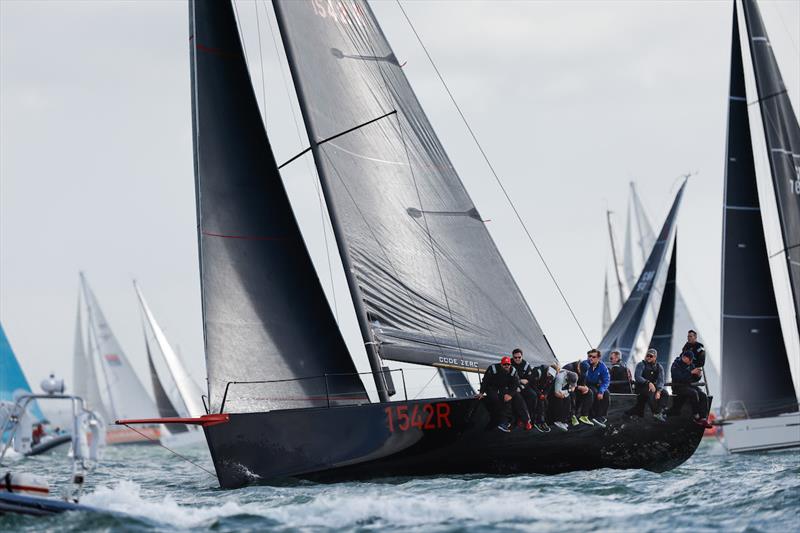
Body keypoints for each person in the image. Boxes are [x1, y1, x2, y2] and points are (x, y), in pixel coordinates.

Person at [478, 356, 531, 432]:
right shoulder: (493, 368)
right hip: (492, 387)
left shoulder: (513, 370)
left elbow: (515, 384)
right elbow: (485, 381)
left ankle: (526, 420)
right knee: (498, 399)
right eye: (504, 364)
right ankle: (503, 422)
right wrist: (481, 392)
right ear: (501, 364)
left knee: (518, 398)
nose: (506, 366)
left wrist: (510, 395)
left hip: (504, 387)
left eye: (508, 364)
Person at [670, 351, 712, 428]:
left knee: (703, 395)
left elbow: (694, 379)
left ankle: (703, 418)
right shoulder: (676, 365)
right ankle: (696, 415)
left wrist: (698, 375)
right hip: (678, 387)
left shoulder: (690, 364)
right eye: (690, 359)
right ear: (684, 358)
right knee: (693, 393)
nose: (691, 361)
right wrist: (691, 372)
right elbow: (678, 377)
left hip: (688, 385)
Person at [626, 348, 669, 421]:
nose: (648, 357)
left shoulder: (659, 367)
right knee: (650, 393)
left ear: (655, 357)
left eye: (651, 356)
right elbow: (637, 377)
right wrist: (648, 382)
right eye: (647, 355)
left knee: (665, 393)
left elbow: (661, 381)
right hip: (641, 386)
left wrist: (659, 391)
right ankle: (655, 412)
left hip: (652, 387)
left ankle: (659, 412)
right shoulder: (641, 364)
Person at [576, 349, 611, 427]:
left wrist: (601, 391)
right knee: (594, 392)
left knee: (606, 393)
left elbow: (606, 381)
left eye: (594, 357)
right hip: (585, 384)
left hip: (595, 384)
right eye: (589, 356)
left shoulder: (602, 366)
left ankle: (601, 416)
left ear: (598, 358)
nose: (591, 358)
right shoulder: (585, 364)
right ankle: (592, 416)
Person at [510, 348, 537, 427]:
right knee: (517, 398)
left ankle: (531, 419)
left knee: (533, 395)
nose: (517, 359)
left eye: (519, 357)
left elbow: (528, 380)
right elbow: (508, 378)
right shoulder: (509, 363)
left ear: (522, 356)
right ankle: (518, 419)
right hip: (513, 386)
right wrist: (520, 380)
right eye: (515, 357)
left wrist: (521, 387)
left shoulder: (526, 365)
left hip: (523, 386)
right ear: (512, 357)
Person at [528, 364, 557, 432]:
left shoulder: (552, 376)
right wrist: (540, 394)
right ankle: (536, 421)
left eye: (551, 375)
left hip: (540, 390)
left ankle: (542, 421)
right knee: (537, 400)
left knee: (545, 402)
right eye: (549, 374)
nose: (550, 376)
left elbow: (549, 386)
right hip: (531, 387)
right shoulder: (538, 371)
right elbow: (532, 384)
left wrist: (545, 394)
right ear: (547, 370)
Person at [562, 360, 584, 426]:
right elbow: (563, 381)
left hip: (574, 386)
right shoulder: (569, 368)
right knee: (571, 396)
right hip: (565, 386)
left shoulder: (583, 370)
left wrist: (584, 387)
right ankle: (571, 416)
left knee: (584, 393)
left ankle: (578, 414)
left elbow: (582, 382)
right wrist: (572, 388)